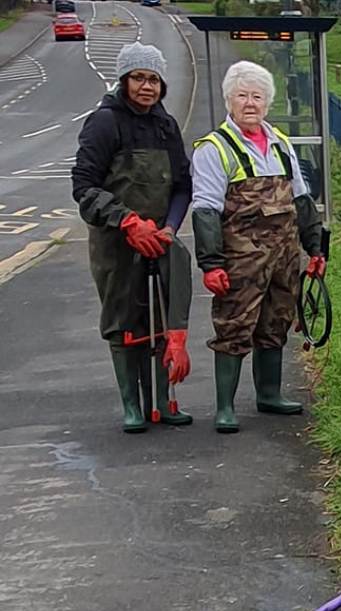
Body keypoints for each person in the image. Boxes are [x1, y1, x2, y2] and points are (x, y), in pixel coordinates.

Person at [191, 60, 326, 434]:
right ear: (228, 101)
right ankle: (225, 407)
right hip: (240, 261)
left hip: (284, 257)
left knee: (276, 323)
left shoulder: (281, 144)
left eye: (258, 96)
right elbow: (204, 209)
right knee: (234, 328)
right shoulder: (213, 149)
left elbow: (302, 199)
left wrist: (315, 249)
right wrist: (211, 264)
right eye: (242, 95)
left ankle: (269, 395)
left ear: (267, 103)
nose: (250, 103)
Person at [72, 42, 193, 433]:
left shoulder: (166, 126)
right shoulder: (104, 123)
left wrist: (170, 227)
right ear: (124, 81)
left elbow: (182, 186)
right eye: (139, 78)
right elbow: (84, 186)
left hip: (159, 237)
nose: (147, 87)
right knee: (125, 320)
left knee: (163, 315)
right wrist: (126, 222)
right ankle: (132, 406)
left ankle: (163, 402)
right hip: (116, 242)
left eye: (154, 79)